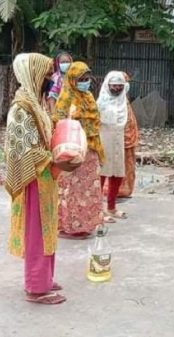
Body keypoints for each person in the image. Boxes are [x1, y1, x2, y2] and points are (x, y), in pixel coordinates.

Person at [5, 53, 77, 305]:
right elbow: (23, 150)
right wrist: (54, 159)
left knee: (47, 228)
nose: (51, 78)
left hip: (44, 174)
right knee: (37, 231)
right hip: (32, 177)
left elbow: (45, 136)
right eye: (47, 74)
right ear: (33, 75)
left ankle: (44, 277)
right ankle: (35, 287)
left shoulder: (37, 103)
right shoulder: (21, 108)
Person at [53, 62, 105, 239]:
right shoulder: (66, 98)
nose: (85, 82)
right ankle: (68, 226)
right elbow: (59, 122)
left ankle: (86, 224)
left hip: (90, 149)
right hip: (73, 150)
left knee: (89, 188)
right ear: (72, 80)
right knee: (72, 188)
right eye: (81, 79)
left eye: (87, 78)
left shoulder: (89, 96)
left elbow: (96, 121)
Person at [97, 71, 132, 219]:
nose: (117, 89)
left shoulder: (123, 102)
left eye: (120, 86)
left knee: (117, 173)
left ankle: (111, 207)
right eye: (114, 86)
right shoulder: (100, 103)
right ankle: (98, 209)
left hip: (118, 139)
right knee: (102, 173)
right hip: (103, 138)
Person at [117, 72, 139, 198]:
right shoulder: (110, 101)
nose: (126, 86)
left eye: (126, 83)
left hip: (129, 139)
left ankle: (126, 190)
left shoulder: (125, 101)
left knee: (128, 165)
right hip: (117, 140)